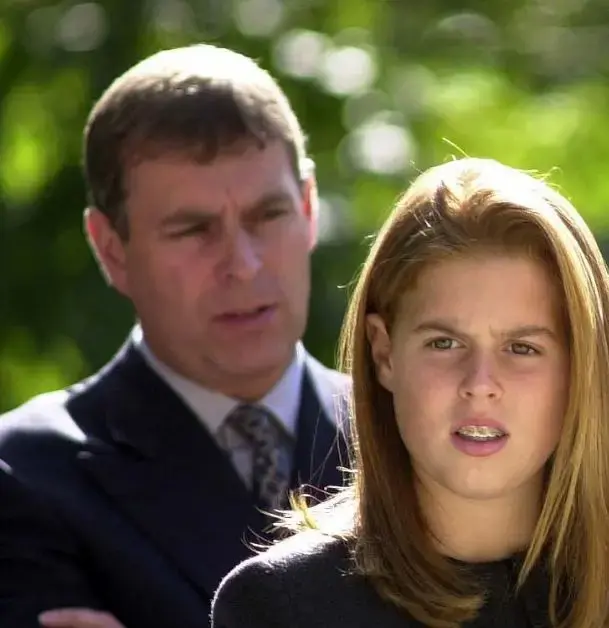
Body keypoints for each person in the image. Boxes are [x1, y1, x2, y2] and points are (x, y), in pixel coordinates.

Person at [209, 158, 609, 628]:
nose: (480, 384)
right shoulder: (279, 606)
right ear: (384, 353)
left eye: (522, 348)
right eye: (444, 342)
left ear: (581, 370)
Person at [0, 45, 349, 628]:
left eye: (268, 216)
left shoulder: (414, 437)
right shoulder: (26, 479)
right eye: (193, 230)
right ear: (112, 249)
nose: (242, 264)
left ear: (310, 208)